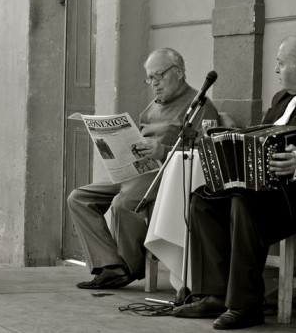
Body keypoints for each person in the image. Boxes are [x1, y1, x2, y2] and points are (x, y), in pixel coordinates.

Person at [173, 34, 296, 329]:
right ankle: (213, 293)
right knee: (204, 197)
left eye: (280, 63)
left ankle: (245, 305)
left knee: (244, 201)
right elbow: (262, 139)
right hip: (273, 193)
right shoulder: (281, 99)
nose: (276, 70)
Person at [68, 47, 220, 290]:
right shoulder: (152, 107)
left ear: (179, 72)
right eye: (150, 78)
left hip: (168, 174)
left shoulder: (199, 106)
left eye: (159, 76)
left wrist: (164, 150)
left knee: (123, 204)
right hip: (136, 170)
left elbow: (204, 153)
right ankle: (110, 265)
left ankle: (129, 267)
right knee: (78, 198)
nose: (154, 84)